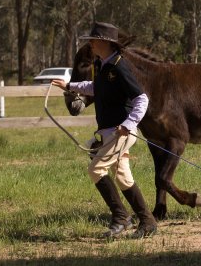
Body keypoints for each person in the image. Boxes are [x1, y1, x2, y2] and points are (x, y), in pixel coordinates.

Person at [51, 22, 157, 238]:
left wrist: (128, 125)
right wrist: (69, 86)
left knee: (96, 170)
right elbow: (95, 88)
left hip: (120, 133)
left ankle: (121, 218)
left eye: (93, 40)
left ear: (105, 43)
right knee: (124, 178)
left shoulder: (119, 66)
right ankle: (147, 222)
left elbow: (141, 98)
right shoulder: (103, 65)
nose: (90, 43)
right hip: (109, 132)